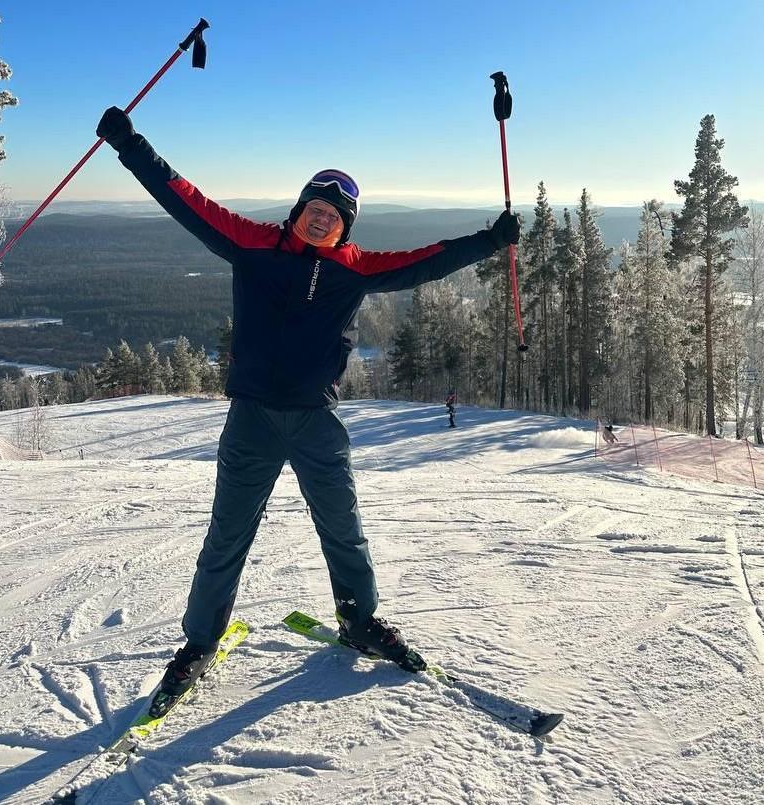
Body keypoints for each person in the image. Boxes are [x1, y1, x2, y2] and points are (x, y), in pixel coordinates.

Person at [95, 107, 520, 702]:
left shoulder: (356, 269)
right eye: (313, 210)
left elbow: (427, 261)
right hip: (253, 421)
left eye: (333, 216)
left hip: (317, 421)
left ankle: (360, 620)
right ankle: (198, 644)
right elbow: (186, 198)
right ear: (297, 212)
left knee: (344, 531)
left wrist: (489, 242)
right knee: (226, 537)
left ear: (344, 228)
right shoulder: (251, 244)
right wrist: (130, 144)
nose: (320, 221)